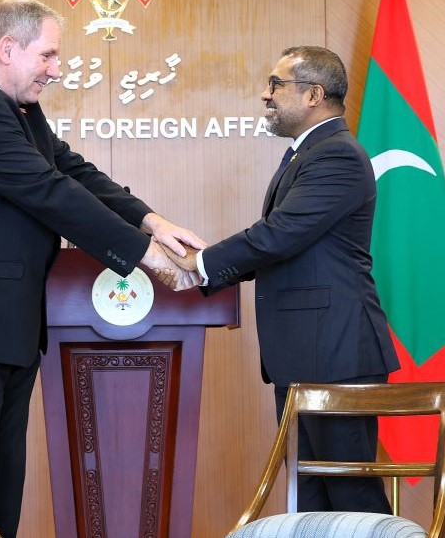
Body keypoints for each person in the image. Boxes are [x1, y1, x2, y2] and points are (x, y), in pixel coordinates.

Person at [0, 0, 201, 536]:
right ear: (7, 48)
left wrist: (152, 221)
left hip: (3, 327)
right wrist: (148, 258)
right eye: (48, 55)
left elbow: (71, 171)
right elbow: (49, 192)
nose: (56, 70)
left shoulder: (13, 106)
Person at [170, 46, 399, 513]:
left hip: (336, 352)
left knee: (352, 496)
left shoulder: (337, 155)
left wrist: (199, 263)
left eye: (276, 85)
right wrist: (203, 268)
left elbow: (279, 235)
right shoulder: (308, 153)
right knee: (309, 497)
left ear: (314, 94)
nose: (265, 94)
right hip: (304, 352)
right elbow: (285, 244)